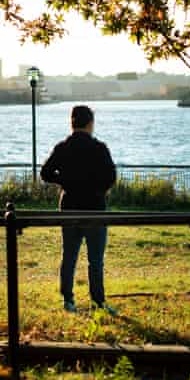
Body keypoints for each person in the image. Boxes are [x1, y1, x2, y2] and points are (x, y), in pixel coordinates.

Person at [40, 105, 118, 315]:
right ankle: (98, 301)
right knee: (95, 260)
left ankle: (68, 299)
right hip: (95, 208)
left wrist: (64, 181)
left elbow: (45, 173)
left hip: (70, 207)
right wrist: (98, 190)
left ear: (72, 123)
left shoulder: (63, 147)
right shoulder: (99, 148)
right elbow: (111, 177)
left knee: (69, 256)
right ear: (90, 123)